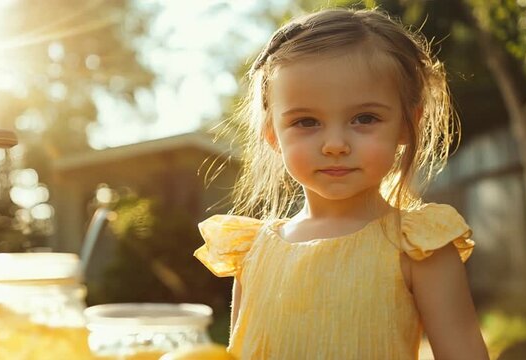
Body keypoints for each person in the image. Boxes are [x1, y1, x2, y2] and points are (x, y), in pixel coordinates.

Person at [194, 7, 489, 360]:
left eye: (364, 118)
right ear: (273, 133)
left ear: (406, 125)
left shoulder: (418, 247)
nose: (335, 144)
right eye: (306, 122)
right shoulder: (251, 250)